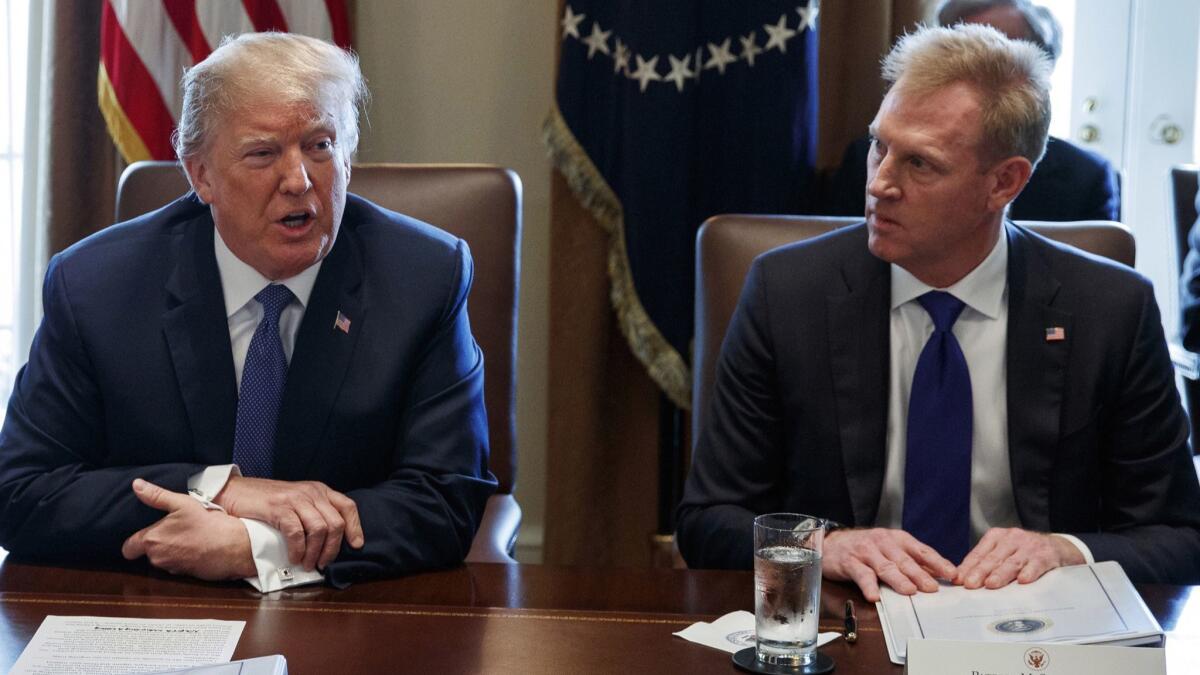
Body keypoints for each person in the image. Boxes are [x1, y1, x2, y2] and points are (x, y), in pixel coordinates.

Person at [677, 23, 1200, 602]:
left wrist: (1063, 549)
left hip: (1032, 631)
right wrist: (824, 543)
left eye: (920, 164)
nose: (879, 183)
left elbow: (1179, 538)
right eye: (880, 144)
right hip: (854, 622)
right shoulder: (788, 292)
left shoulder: (1108, 309)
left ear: (1005, 181)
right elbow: (707, 520)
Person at [0, 33, 496, 591]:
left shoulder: (424, 277)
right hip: (154, 610)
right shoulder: (96, 285)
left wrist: (257, 547)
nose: (299, 180)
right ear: (201, 175)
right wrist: (216, 488)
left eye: (320, 145)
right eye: (263, 153)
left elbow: (444, 502)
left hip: (347, 619)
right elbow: (22, 490)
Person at [828, 0, 1120, 223]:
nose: (880, 186)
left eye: (999, 53)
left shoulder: (1086, 178)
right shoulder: (863, 160)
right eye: (958, 51)